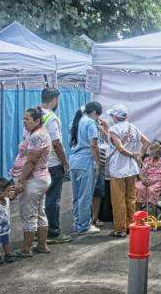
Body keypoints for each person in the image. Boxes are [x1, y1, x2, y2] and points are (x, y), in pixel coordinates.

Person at [11, 107, 52, 257]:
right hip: (40, 178)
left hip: (33, 179)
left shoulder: (37, 136)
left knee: (29, 214)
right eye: (24, 118)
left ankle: (26, 249)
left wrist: (20, 181)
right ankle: (42, 245)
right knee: (39, 212)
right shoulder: (36, 133)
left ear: (37, 120)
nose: (24, 121)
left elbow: (32, 161)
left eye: (27, 119)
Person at [107, 104, 150, 237]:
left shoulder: (114, 129)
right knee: (131, 197)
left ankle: (120, 229)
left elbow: (119, 148)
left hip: (118, 168)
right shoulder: (133, 127)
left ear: (115, 116)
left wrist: (133, 155)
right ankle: (131, 225)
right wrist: (139, 155)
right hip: (131, 168)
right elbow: (146, 141)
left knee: (118, 199)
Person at [40, 87, 72, 244]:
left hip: (38, 163)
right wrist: (65, 162)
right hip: (52, 163)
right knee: (53, 199)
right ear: (55, 99)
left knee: (39, 200)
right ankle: (53, 232)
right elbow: (57, 143)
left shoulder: (33, 114)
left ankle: (38, 232)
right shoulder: (51, 117)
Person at [69, 101, 103, 235]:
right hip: (86, 161)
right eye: (98, 116)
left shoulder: (75, 122)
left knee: (77, 196)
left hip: (74, 161)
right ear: (94, 113)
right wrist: (97, 163)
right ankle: (84, 226)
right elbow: (94, 145)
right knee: (85, 196)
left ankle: (78, 223)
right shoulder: (90, 123)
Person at [135, 140, 161, 211]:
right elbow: (141, 173)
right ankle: (138, 215)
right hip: (146, 181)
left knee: (151, 189)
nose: (152, 151)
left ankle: (152, 216)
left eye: (155, 148)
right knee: (138, 187)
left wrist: (151, 181)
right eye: (151, 149)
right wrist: (143, 179)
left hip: (160, 183)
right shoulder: (146, 160)